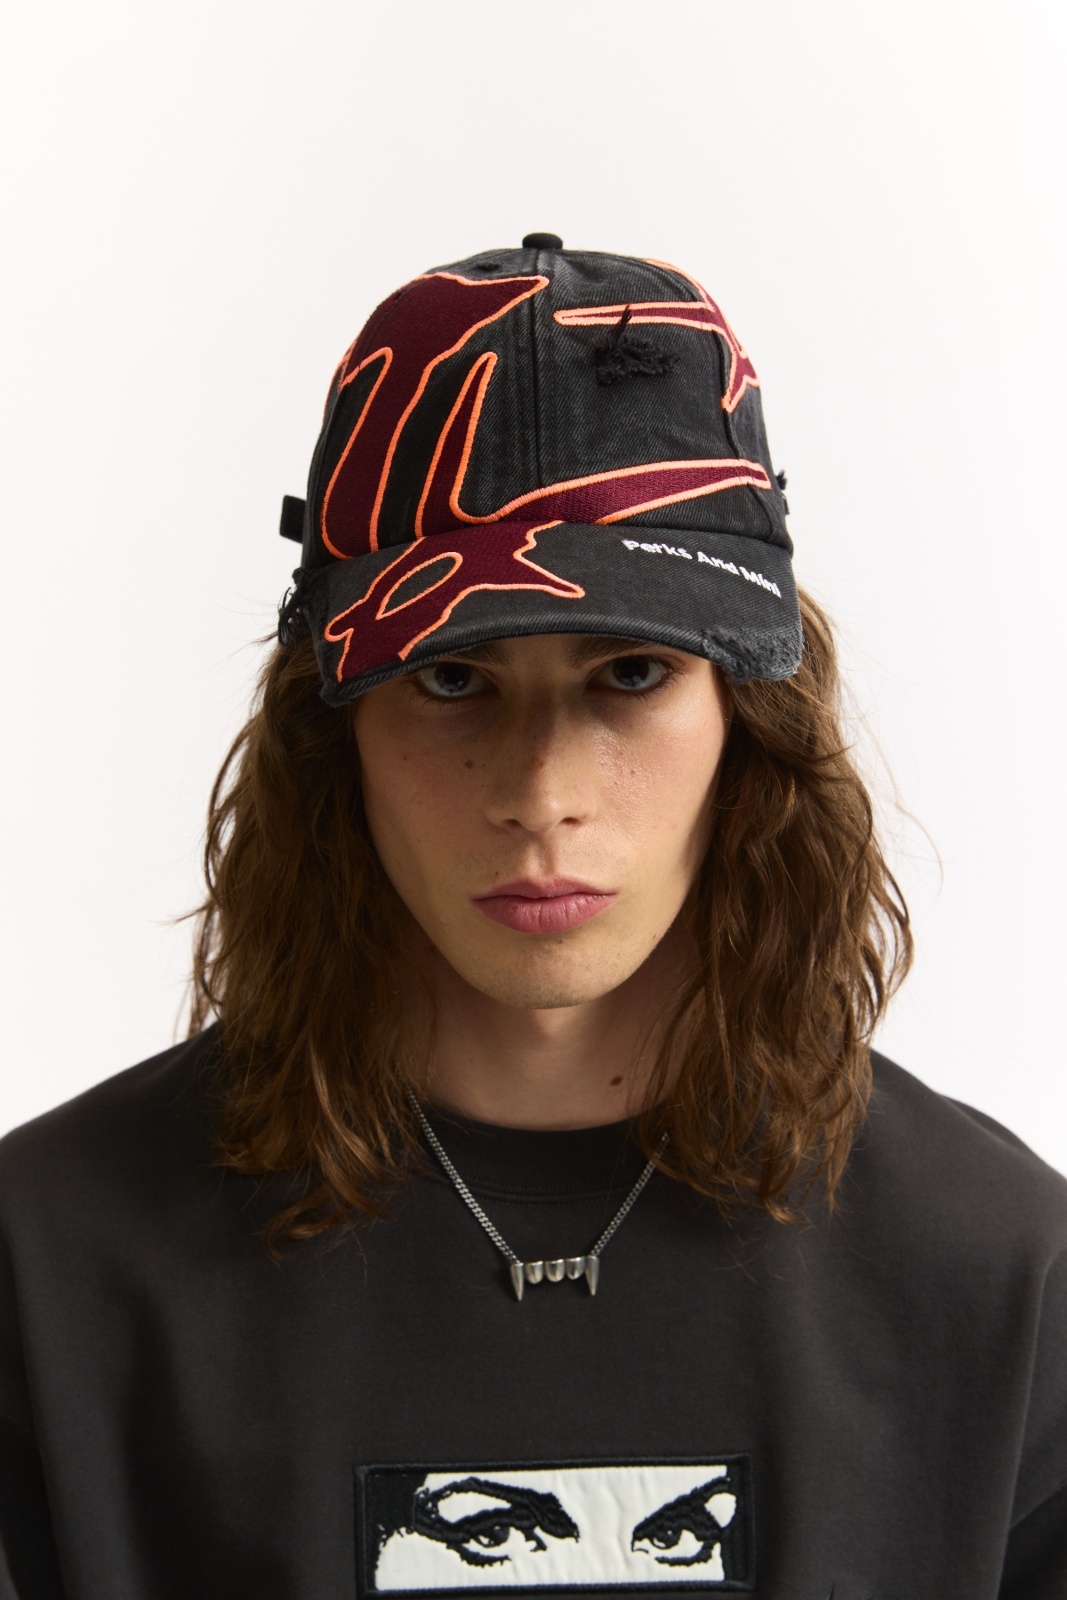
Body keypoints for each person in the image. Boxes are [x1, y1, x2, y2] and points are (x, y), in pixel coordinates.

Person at [1, 232, 1064, 1600]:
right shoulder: (49, 1276)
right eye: (452, 680)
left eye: (631, 672)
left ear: (751, 717)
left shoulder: (1004, 1286)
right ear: (332, 731)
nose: (542, 794)